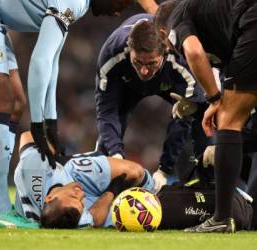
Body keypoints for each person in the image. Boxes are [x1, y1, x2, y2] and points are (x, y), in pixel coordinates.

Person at [0, 0, 155, 228]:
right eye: (122, 3)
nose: (119, 11)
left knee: (15, 105)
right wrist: (37, 122)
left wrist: (50, 122)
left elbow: (52, 63)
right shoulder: (75, 2)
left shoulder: (76, 6)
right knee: (0, 103)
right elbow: (40, 61)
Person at [165, 0, 257, 233]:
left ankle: (221, 219)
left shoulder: (176, 16)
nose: (168, 49)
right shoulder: (218, 23)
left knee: (229, 121)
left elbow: (194, 52)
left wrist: (214, 99)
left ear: (162, 32)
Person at [94, 13, 210, 192]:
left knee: (200, 116)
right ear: (128, 49)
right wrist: (115, 154)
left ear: (165, 51)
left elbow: (183, 119)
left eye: (151, 63)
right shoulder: (112, 53)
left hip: (169, 81)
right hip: (127, 85)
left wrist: (165, 169)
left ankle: (207, 184)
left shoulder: (181, 59)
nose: (144, 71)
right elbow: (106, 111)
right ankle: (100, 192)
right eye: (138, 62)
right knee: (107, 142)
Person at [14, 131, 154, 228]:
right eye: (81, 202)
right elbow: (95, 219)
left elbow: (28, 135)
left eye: (72, 195)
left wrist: (51, 149)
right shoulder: (68, 219)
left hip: (79, 171)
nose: (80, 193)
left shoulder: (33, 170)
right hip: (121, 198)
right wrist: (113, 190)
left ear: (49, 197)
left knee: (134, 172)